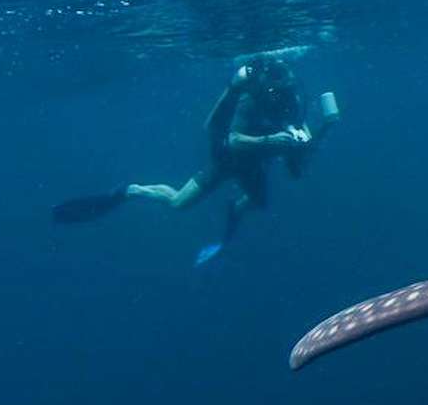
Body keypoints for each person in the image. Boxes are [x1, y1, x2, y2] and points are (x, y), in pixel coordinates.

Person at [53, 55, 333, 258]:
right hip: (227, 161)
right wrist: (271, 141)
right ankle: (132, 191)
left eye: (284, 92)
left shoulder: (292, 100)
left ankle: (235, 207)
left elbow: (300, 129)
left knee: (260, 201)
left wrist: (305, 143)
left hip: (254, 165)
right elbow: (234, 140)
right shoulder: (249, 101)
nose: (281, 97)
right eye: (276, 93)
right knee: (178, 203)